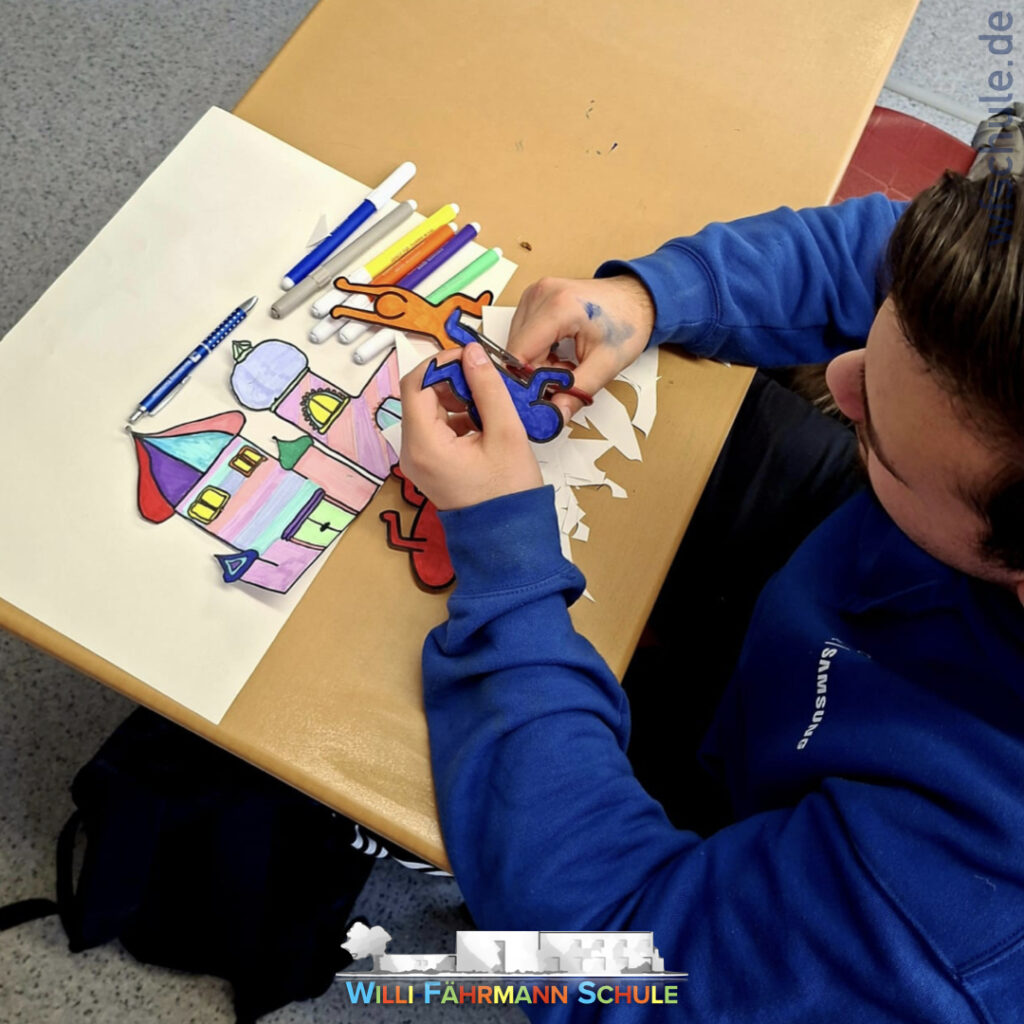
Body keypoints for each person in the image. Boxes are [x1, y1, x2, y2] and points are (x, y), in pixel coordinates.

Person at [398, 169, 1024, 1021]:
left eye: (874, 428)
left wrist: (505, 560)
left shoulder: (950, 925)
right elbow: (887, 253)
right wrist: (654, 297)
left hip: (789, 818)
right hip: (843, 594)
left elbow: (615, 957)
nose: (836, 380)